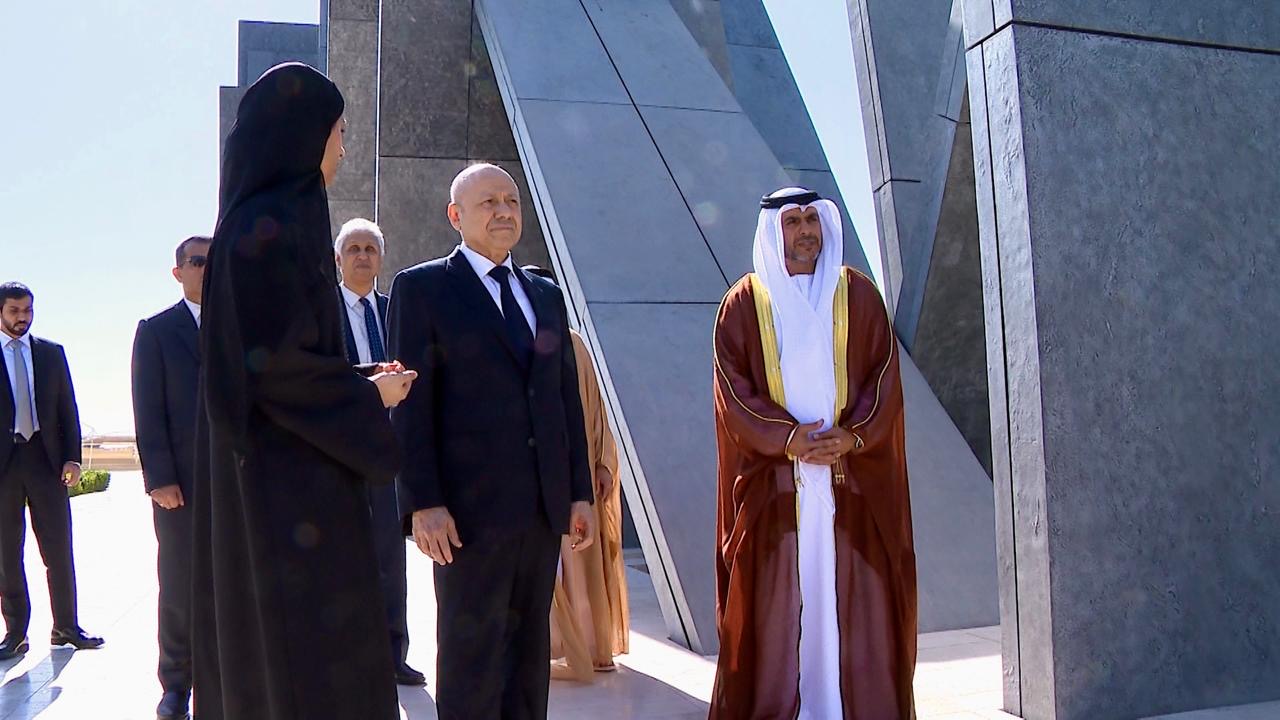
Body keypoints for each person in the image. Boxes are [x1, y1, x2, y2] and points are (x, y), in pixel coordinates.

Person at [192, 62, 417, 720]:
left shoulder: (266, 221)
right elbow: (276, 369)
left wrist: (357, 380)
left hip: (287, 483)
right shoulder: (267, 228)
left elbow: (278, 357)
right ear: (302, 133)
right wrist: (369, 400)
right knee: (307, 670)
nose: (344, 146)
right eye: (338, 130)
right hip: (288, 499)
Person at [387, 163, 595, 720]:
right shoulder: (423, 288)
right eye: (488, 203)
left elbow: (564, 401)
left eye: (511, 200)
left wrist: (579, 493)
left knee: (528, 660)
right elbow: (410, 407)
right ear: (456, 216)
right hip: (465, 516)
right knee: (472, 660)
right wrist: (423, 503)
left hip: (540, 511)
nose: (504, 211)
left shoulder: (545, 295)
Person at [709, 188, 917, 719]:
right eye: (793, 222)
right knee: (774, 603)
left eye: (811, 220)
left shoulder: (858, 295)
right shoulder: (744, 304)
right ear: (772, 230)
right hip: (777, 485)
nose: (805, 231)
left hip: (850, 480)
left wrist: (853, 436)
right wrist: (787, 439)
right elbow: (733, 391)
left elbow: (884, 377)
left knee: (855, 597)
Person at [521, 265, 629, 682]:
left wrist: (602, 463)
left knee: (580, 566)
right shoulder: (517, 342)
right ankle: (547, 646)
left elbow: (596, 411)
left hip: (576, 478)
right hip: (532, 476)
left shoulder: (574, 344)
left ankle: (586, 645)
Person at [332, 217, 424, 687]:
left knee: (390, 562)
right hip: (337, 457)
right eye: (354, 249)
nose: (363, 256)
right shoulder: (320, 313)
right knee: (340, 563)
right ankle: (347, 658)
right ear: (338, 259)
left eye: (370, 249)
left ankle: (394, 656)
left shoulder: (395, 312)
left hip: (389, 459)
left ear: (381, 258)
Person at [0, 282, 103, 662]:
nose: (22, 317)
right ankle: (16, 633)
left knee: (59, 548)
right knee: (6, 553)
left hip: (45, 460)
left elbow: (67, 409)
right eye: (14, 310)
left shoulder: (51, 353)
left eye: (27, 310)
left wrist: (72, 458)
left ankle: (66, 627)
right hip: (4, 465)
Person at [131, 236, 210, 720]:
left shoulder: (243, 327)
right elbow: (148, 408)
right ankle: (176, 684)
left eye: (215, 261)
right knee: (180, 584)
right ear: (178, 272)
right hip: (181, 485)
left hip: (238, 483)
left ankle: (227, 677)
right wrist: (159, 477)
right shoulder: (157, 331)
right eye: (198, 261)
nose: (208, 268)